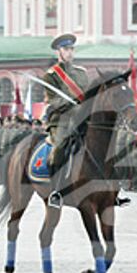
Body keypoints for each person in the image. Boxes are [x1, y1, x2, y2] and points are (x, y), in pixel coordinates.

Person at [42, 33, 88, 208]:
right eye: (65, 49)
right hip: (61, 121)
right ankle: (56, 191)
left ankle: (113, 188)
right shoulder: (51, 75)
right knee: (60, 148)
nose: (69, 52)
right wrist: (73, 105)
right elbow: (53, 100)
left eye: (71, 49)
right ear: (58, 53)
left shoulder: (81, 73)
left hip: (82, 119)